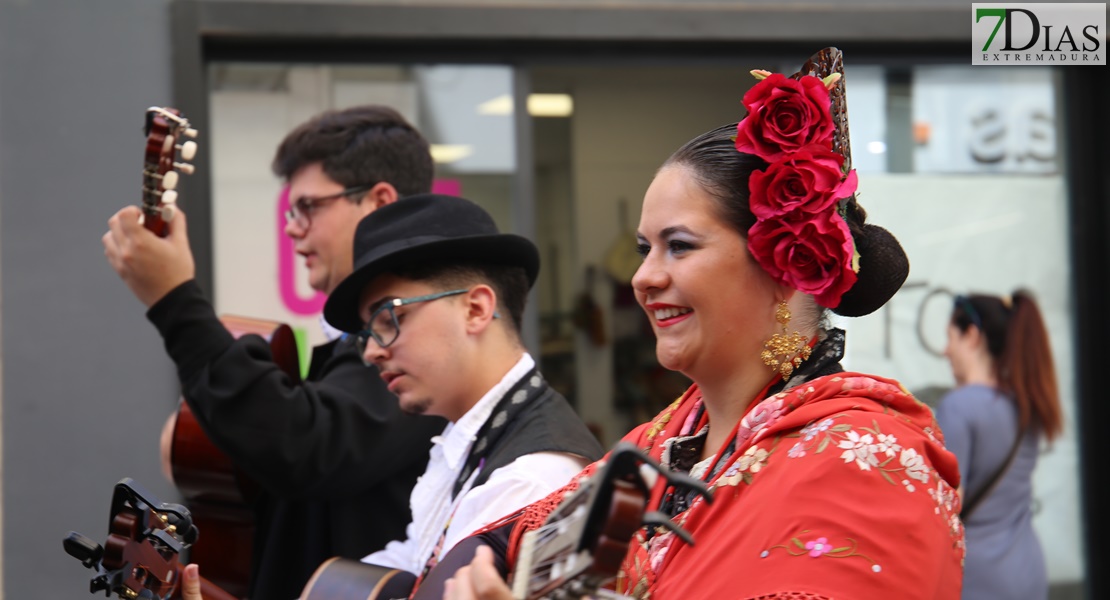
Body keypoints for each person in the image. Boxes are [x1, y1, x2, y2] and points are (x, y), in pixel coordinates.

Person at [428, 48, 965, 600]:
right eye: (644, 249)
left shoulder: (866, 456)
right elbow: (510, 541)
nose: (643, 278)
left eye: (678, 246)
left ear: (786, 263)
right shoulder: (661, 443)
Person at [102, 105, 447, 600]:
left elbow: (309, 445)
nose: (290, 228)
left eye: (307, 207)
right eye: (291, 209)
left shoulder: (415, 334)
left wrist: (175, 300)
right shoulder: (353, 338)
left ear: (378, 202)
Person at [315, 193, 604, 586]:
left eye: (389, 318)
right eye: (367, 332)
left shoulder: (530, 479)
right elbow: (416, 562)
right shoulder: (472, 436)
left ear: (476, 310)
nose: (370, 351)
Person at [936, 291, 1062, 600]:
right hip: (1028, 570)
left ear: (972, 335)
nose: (945, 351)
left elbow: (948, 505)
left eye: (951, 337)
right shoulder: (1026, 404)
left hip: (978, 577)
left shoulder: (958, 406)